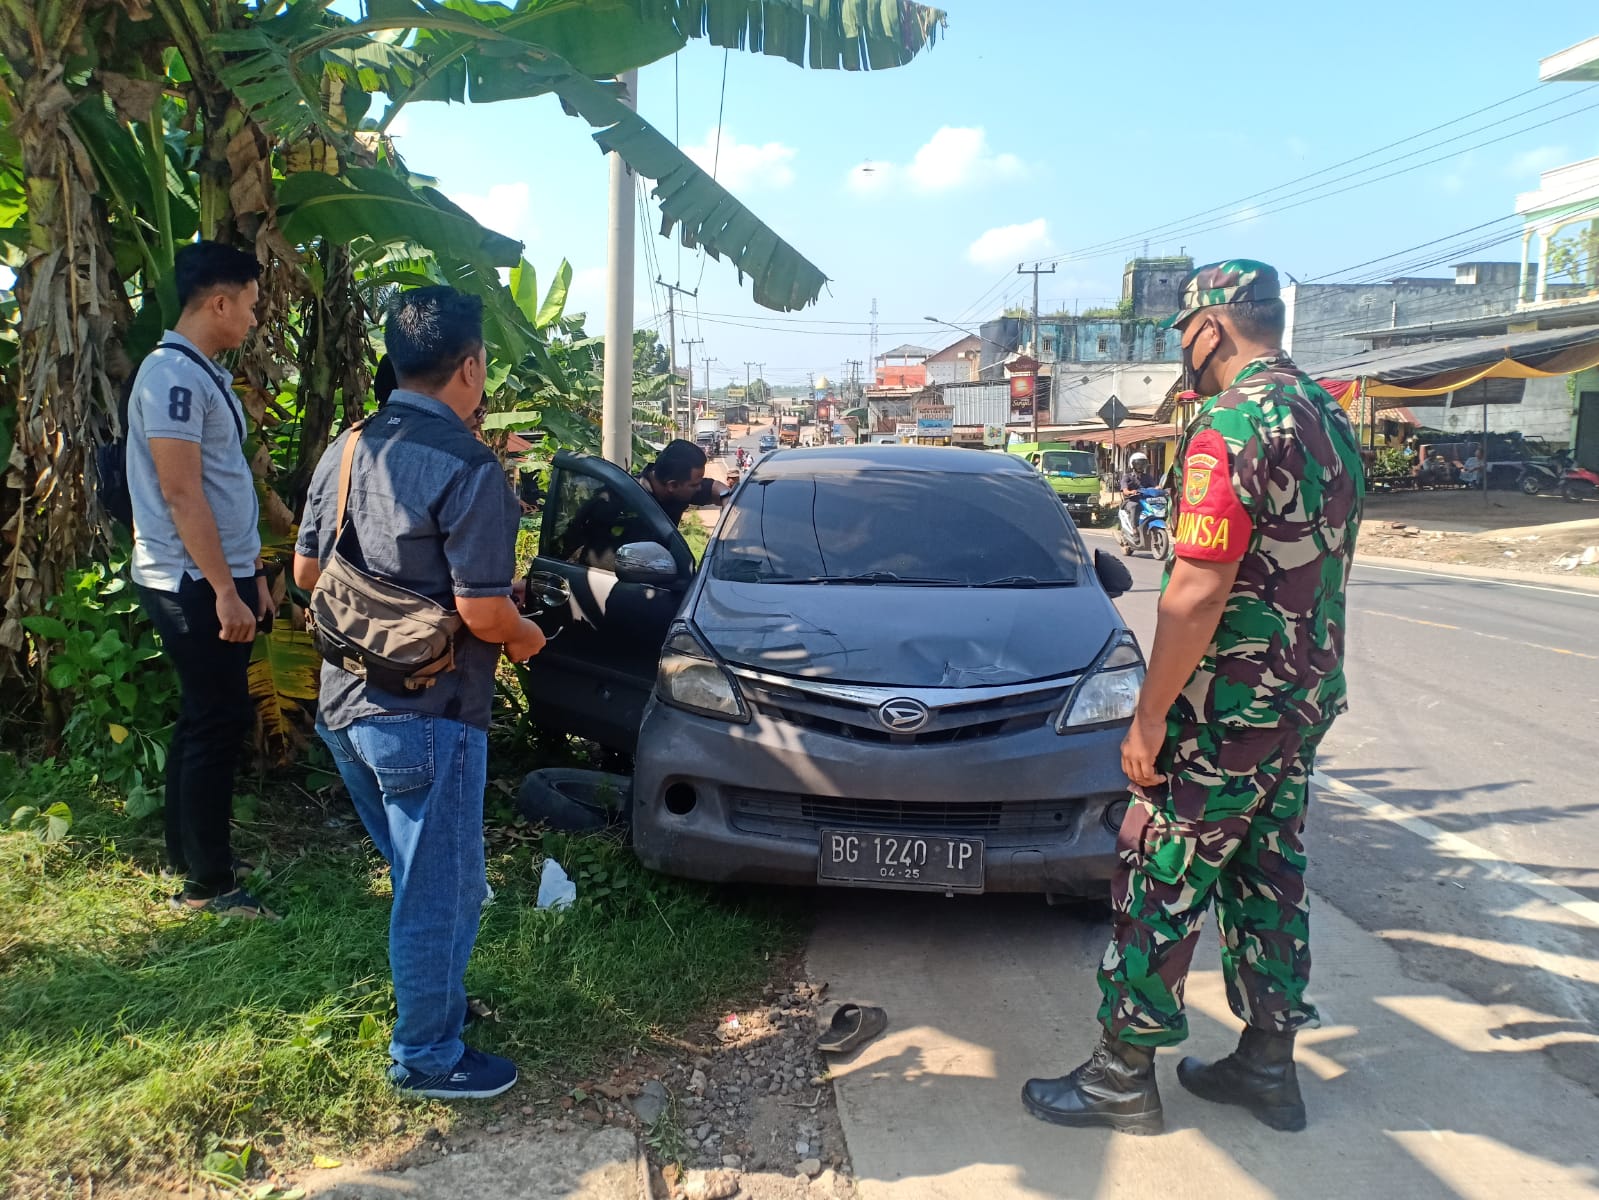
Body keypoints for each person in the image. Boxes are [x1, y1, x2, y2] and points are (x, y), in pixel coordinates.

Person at [1022, 260, 1363, 1135]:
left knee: (1160, 871)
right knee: (1268, 873)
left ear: (1210, 328)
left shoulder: (1232, 422)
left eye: (1183, 337)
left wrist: (1147, 718)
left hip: (1227, 710)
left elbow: (1194, 592)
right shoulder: (1327, 414)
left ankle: (1118, 1075)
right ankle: (1265, 1062)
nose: (1185, 354)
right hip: (1299, 701)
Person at [292, 286, 547, 1101]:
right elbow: (480, 609)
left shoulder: (347, 447)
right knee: (440, 888)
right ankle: (427, 1056)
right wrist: (527, 638)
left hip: (344, 705)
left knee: (426, 879)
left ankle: (433, 1001)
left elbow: (305, 573)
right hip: (429, 717)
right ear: (469, 367)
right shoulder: (471, 466)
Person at [128, 240, 275, 920]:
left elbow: (224, 482)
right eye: (248, 304)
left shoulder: (197, 372)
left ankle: (192, 855)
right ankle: (210, 888)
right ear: (218, 302)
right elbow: (182, 492)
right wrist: (222, 589)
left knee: (202, 717)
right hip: (190, 578)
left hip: (218, 571)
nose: (252, 317)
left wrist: (253, 574)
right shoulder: (174, 379)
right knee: (219, 720)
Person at [1119, 451, 1158, 529]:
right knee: (1134, 506)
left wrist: (1159, 488)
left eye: (1143, 464)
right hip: (1130, 501)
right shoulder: (1127, 477)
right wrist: (1130, 492)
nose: (1140, 466)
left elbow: (1155, 486)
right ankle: (1134, 529)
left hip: (1145, 501)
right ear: (1132, 465)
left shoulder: (1147, 477)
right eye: (1138, 464)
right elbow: (1125, 491)